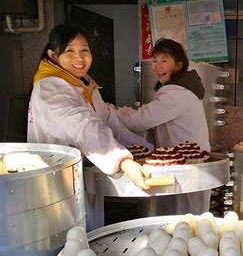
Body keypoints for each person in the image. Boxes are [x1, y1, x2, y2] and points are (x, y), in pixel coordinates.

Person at [27, 23, 153, 229]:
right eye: (70, 51)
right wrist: (122, 160)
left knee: (89, 239)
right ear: (53, 55)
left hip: (83, 178)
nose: (80, 58)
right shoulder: (50, 87)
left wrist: (151, 153)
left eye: (84, 50)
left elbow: (112, 125)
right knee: (68, 241)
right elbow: (83, 126)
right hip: (57, 183)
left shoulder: (83, 85)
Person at [116, 38, 210, 215]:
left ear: (179, 65)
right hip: (187, 161)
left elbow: (139, 121)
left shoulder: (176, 93)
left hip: (187, 163)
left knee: (187, 219)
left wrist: (115, 113)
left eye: (164, 61)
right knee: (190, 217)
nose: (158, 66)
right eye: (155, 61)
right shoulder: (180, 88)